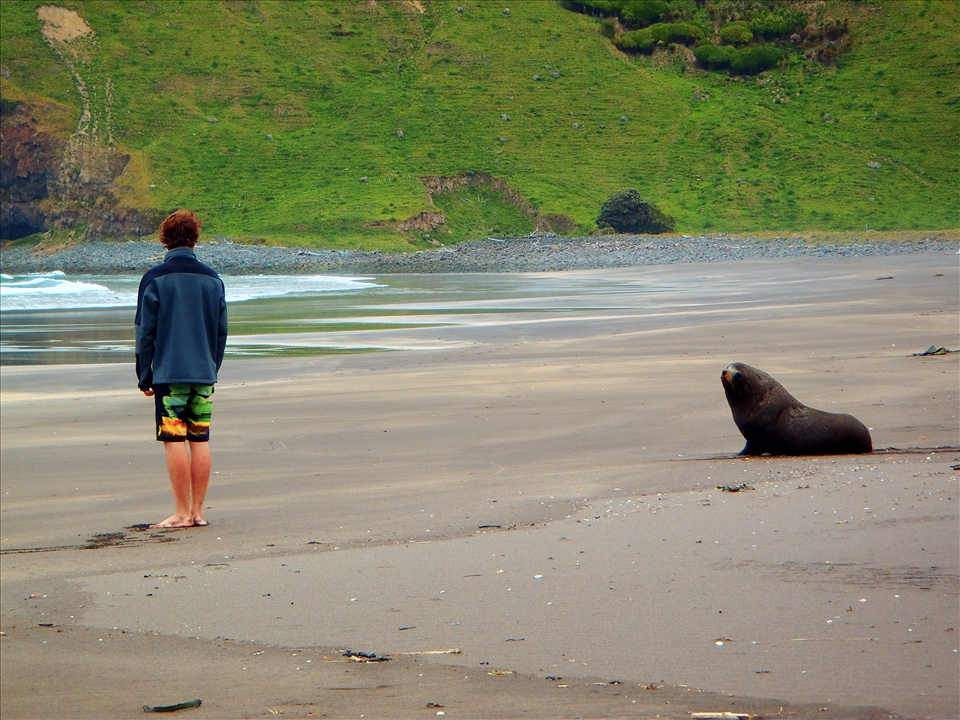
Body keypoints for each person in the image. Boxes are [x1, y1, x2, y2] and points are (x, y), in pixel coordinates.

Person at [135, 209, 228, 528]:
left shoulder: (154, 279)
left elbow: (145, 331)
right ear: (195, 238)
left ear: (164, 238)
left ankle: (181, 512)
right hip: (203, 372)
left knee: (174, 439)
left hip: (169, 374)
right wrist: (211, 367)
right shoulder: (213, 279)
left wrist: (144, 375)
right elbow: (221, 331)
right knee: (199, 439)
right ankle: (199, 512)